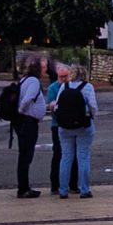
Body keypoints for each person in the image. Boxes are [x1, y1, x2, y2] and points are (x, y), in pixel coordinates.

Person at [56, 61, 98, 199]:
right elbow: (93, 106)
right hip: (83, 126)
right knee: (83, 157)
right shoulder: (88, 87)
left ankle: (63, 190)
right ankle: (84, 189)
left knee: (66, 157)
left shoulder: (64, 86)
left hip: (64, 126)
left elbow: (57, 106)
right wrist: (92, 116)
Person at [14, 56, 46, 197]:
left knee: (24, 155)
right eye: (43, 67)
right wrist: (21, 111)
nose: (45, 70)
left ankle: (24, 186)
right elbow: (28, 98)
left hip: (24, 121)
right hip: (28, 122)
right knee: (26, 155)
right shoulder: (33, 81)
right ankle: (23, 189)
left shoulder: (24, 80)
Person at [46, 64, 78, 195]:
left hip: (72, 124)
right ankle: (55, 185)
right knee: (58, 154)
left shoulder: (73, 86)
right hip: (57, 124)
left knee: (74, 155)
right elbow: (51, 105)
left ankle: (73, 184)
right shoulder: (53, 88)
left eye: (66, 76)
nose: (63, 79)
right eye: (61, 77)